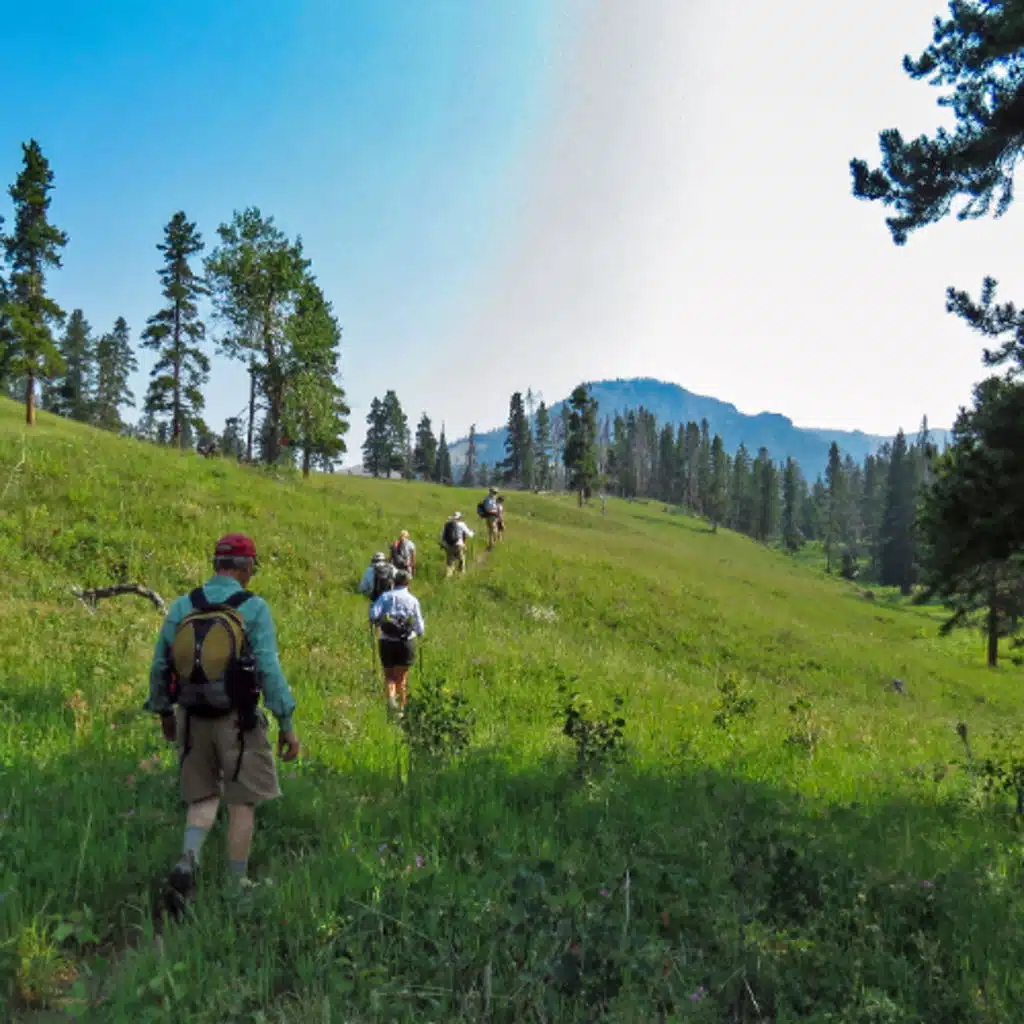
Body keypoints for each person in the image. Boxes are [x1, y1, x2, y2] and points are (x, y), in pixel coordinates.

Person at [144, 533, 300, 912]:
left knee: (202, 796)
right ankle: (236, 884)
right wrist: (286, 720)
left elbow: (160, 665)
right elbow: (268, 668)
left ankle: (188, 861)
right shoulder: (254, 608)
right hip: (239, 722)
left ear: (216, 563)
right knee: (242, 802)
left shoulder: (184, 604)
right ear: (246, 567)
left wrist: (165, 712)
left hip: (191, 718)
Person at [369, 568, 425, 715]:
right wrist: (419, 633)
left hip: (387, 640)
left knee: (389, 676)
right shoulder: (413, 600)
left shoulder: (386, 596)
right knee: (402, 677)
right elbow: (420, 626)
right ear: (408, 582)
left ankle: (391, 703)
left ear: (394, 581)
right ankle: (401, 710)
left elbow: (373, 614)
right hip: (406, 641)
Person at [440, 511, 475, 577]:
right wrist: (473, 532)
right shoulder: (462, 524)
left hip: (448, 545)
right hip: (458, 545)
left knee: (450, 563)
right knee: (462, 559)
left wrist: (442, 544)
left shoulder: (446, 524)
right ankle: (461, 574)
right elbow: (469, 534)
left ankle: (448, 577)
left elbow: (442, 535)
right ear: (460, 518)